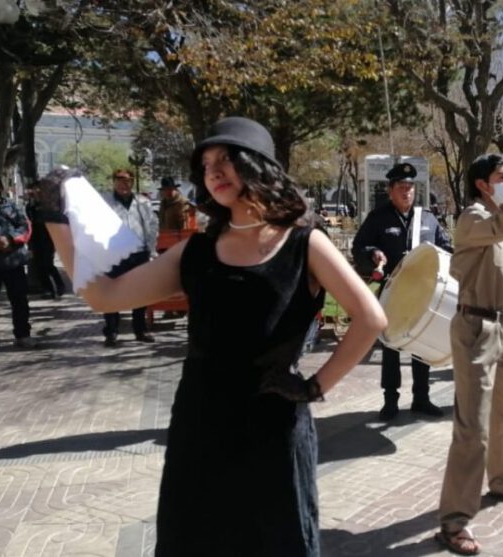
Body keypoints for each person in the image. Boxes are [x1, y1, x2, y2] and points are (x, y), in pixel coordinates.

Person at [39, 116, 386, 556]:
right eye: (206, 165)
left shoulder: (304, 242)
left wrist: (314, 386)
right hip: (200, 426)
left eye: (226, 159)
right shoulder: (196, 250)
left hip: (273, 431)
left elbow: (370, 318)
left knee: (278, 541)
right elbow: (106, 297)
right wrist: (55, 218)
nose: (214, 171)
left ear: (258, 165)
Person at [437, 139, 503, 556]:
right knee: (472, 429)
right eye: (501, 178)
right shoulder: (473, 218)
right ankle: (455, 520)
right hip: (476, 327)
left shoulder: (498, 217)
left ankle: (501, 481)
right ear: (481, 185)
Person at [351, 162, 453, 420]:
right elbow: (359, 247)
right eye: (401, 187)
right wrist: (372, 254)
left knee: (421, 346)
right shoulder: (378, 218)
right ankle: (390, 401)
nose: (407, 192)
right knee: (391, 347)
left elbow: (445, 247)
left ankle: (421, 398)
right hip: (392, 294)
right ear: (390, 190)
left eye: (410, 188)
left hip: (425, 293)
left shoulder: (428, 218)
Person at [100, 169, 159, 347]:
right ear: (113, 181)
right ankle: (111, 331)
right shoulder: (105, 202)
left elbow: (152, 225)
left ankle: (140, 330)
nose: (123, 183)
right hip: (114, 253)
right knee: (112, 294)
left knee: (139, 294)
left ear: (132, 182)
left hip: (138, 253)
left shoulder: (142, 202)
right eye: (119, 180)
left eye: (127, 180)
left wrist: (151, 249)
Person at [0, 174, 36, 352]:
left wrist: (10, 240)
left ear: (1, 188)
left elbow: (25, 228)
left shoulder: (13, 206)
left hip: (14, 263)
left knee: (19, 301)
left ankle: (22, 335)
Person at [26, 187, 67, 299]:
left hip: (48, 238)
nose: (32, 193)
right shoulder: (30, 206)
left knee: (48, 264)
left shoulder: (47, 206)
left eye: (35, 192)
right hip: (35, 239)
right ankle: (48, 289)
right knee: (39, 266)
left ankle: (60, 286)